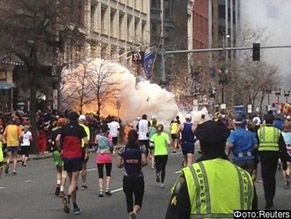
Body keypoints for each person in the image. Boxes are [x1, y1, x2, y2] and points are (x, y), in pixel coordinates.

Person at [165, 121, 255, 219]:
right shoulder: (245, 177)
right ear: (224, 143)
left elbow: (174, 214)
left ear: (201, 145)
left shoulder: (190, 176)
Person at [56, 111, 88, 215]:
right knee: (74, 182)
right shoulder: (80, 128)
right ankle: (69, 196)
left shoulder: (64, 128)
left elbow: (57, 139)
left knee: (71, 181)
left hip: (66, 156)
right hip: (76, 156)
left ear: (68, 119)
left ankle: (74, 205)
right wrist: (83, 148)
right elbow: (86, 141)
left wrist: (61, 149)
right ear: (77, 119)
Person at [257, 113, 287, 209]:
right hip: (274, 156)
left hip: (263, 156)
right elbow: (283, 147)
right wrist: (284, 161)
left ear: (265, 121)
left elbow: (256, 144)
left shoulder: (260, 131)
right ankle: (271, 198)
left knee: (265, 178)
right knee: (272, 177)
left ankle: (267, 198)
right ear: (273, 121)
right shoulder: (277, 132)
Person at [117, 130, 147, 219]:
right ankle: (134, 212)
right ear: (137, 138)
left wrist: (125, 163)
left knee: (129, 200)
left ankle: (131, 214)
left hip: (127, 177)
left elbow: (118, 165)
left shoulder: (123, 149)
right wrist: (137, 162)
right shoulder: (141, 148)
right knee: (138, 202)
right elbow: (144, 162)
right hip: (138, 177)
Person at [48, 117, 67, 198]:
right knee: (64, 171)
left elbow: (49, 140)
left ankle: (58, 184)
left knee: (58, 170)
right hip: (64, 152)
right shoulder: (65, 131)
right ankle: (62, 190)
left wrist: (53, 145)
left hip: (55, 152)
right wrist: (61, 148)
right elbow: (58, 140)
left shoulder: (54, 130)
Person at [94, 125, 113, 197]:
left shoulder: (97, 137)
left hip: (99, 156)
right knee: (108, 173)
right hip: (107, 156)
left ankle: (101, 190)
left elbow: (95, 146)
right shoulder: (109, 136)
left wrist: (98, 150)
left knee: (100, 174)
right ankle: (107, 188)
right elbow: (111, 145)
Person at [150, 124, 171, 188]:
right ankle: (162, 183)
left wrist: (152, 147)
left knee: (157, 166)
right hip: (164, 153)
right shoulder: (165, 135)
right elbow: (168, 142)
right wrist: (169, 145)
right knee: (163, 168)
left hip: (157, 153)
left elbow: (151, 144)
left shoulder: (154, 136)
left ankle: (157, 173)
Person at [78, 114, 90, 190]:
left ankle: (74, 183)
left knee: (75, 167)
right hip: (83, 148)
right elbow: (87, 141)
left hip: (76, 148)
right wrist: (86, 152)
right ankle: (83, 183)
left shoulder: (76, 128)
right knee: (84, 167)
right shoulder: (86, 128)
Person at [281, 120, 291, 189]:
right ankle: (288, 174)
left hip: (284, 151)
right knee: (289, 166)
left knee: (284, 166)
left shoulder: (281, 134)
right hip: (290, 150)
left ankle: (285, 181)